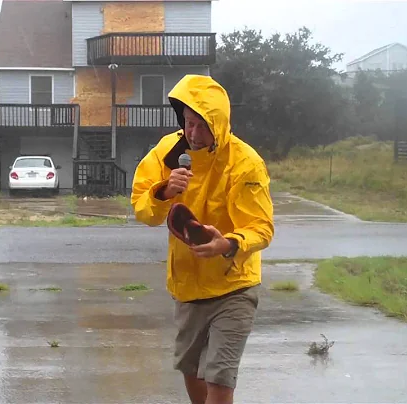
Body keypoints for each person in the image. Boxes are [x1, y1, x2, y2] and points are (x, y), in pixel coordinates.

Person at [130, 74, 274, 404]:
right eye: (187, 123)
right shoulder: (167, 152)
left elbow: (261, 227)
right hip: (188, 289)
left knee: (220, 379)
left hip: (234, 287)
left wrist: (227, 243)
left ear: (218, 124)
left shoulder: (245, 163)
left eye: (201, 125)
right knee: (193, 374)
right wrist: (164, 191)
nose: (192, 133)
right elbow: (143, 210)